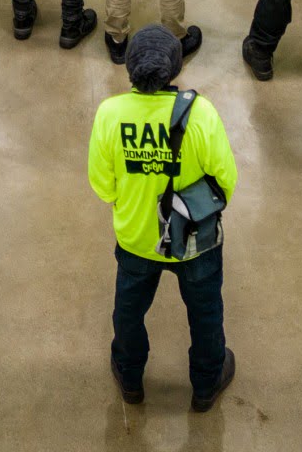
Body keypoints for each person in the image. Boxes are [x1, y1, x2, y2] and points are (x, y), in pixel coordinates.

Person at [92, 26, 237, 412]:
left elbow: (102, 185)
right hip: (194, 241)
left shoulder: (110, 114)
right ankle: (207, 384)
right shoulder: (200, 113)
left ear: (130, 68)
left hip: (137, 238)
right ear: (174, 68)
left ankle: (129, 376)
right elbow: (226, 180)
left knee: (128, 310)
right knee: (205, 313)